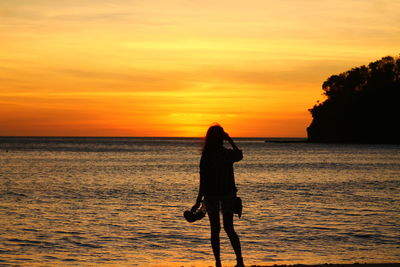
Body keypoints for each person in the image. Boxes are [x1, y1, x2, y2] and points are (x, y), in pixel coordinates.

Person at [192, 124, 244, 267]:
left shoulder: (207, 156)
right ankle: (239, 261)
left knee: (215, 229)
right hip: (226, 194)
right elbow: (239, 155)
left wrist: (198, 201)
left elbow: (203, 180)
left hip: (212, 195)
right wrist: (230, 140)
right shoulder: (225, 154)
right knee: (229, 228)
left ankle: (218, 263)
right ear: (221, 137)